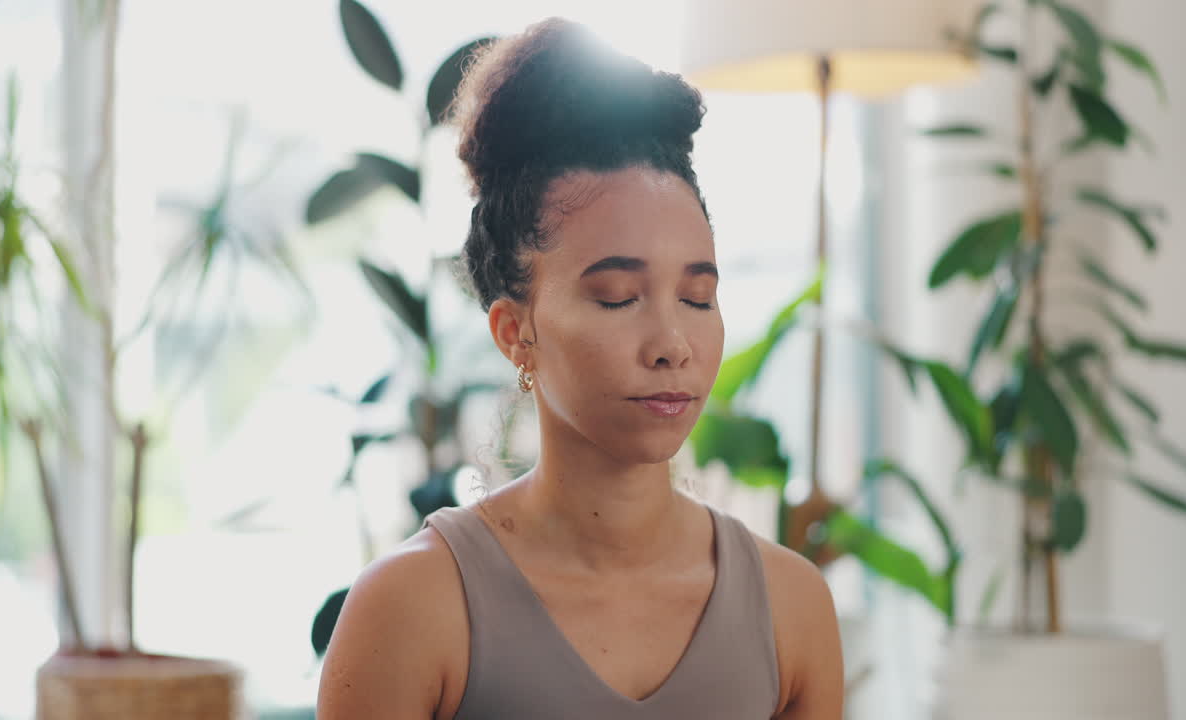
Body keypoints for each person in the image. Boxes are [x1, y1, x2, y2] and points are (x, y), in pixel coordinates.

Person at [317, 17, 843, 720]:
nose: (671, 344)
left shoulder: (792, 607)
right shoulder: (411, 608)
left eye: (697, 297)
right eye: (618, 297)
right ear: (515, 332)